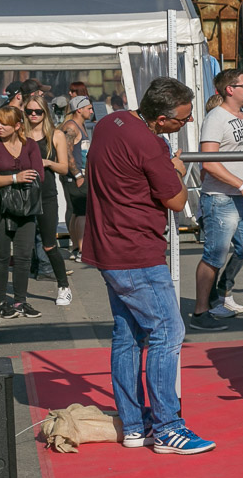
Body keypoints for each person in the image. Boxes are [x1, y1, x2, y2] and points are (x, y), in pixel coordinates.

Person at [84, 76, 215, 455]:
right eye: (183, 119)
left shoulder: (110, 123)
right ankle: (167, 427)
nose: (188, 123)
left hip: (109, 248)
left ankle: (134, 425)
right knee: (167, 332)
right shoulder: (149, 144)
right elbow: (176, 200)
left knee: (127, 336)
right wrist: (176, 170)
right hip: (136, 253)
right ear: (160, 118)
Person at [190, 69, 243, 330]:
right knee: (215, 256)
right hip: (221, 198)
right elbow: (209, 162)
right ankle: (201, 312)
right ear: (230, 89)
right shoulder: (216, 118)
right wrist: (242, 185)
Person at [0, 105, 44, 318]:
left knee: (23, 255)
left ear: (17, 125)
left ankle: (20, 301)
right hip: (1, 206)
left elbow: (39, 175)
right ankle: (1, 301)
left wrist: (17, 178)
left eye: (4, 123)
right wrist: (14, 178)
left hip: (26, 206)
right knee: (2, 256)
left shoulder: (30, 145)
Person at [23, 93, 73, 306]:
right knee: (23, 247)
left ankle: (64, 287)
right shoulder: (20, 133)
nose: (33, 115)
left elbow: (64, 167)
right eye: (29, 111)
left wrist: (47, 163)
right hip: (23, 195)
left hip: (46, 195)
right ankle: (18, 297)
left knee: (49, 245)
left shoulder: (55, 135)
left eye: (38, 111)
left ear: (45, 112)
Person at [58, 91, 95, 261]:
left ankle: (75, 247)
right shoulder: (71, 127)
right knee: (82, 213)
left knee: (76, 211)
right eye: (89, 108)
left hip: (78, 174)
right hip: (75, 176)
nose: (92, 111)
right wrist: (78, 175)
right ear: (79, 110)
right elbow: (67, 152)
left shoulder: (80, 126)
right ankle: (81, 250)